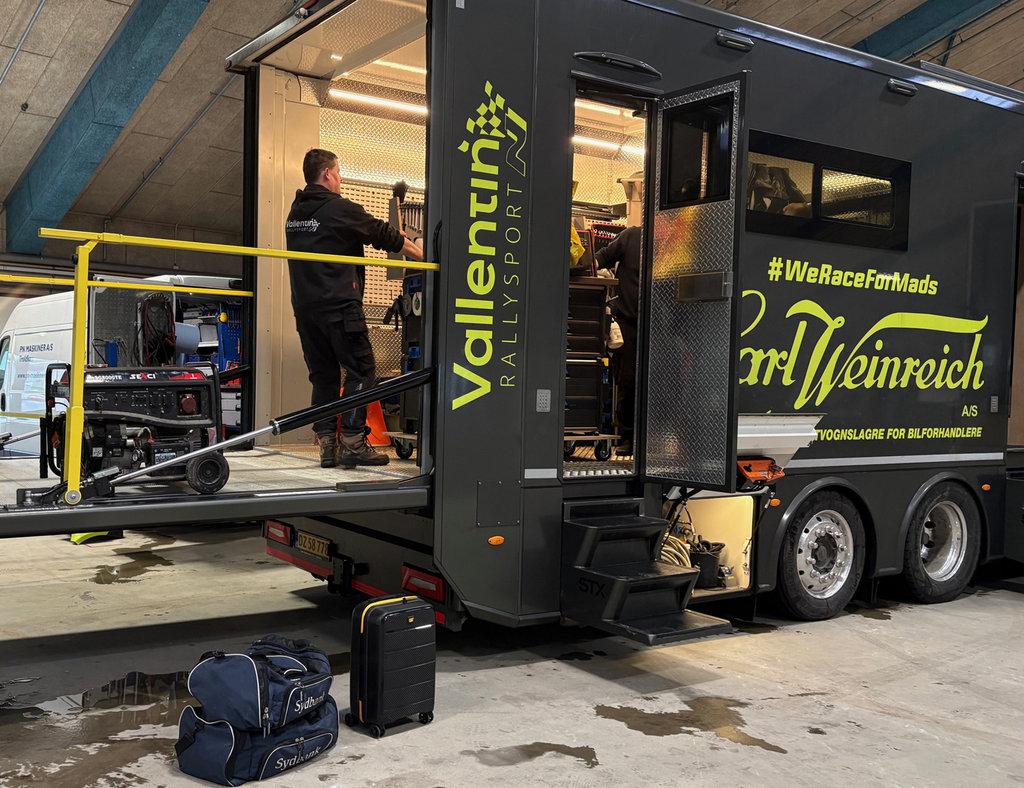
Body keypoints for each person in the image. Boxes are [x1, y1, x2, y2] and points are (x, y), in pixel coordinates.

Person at [286, 148, 423, 469]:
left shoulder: (295, 214)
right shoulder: (337, 208)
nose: (340, 181)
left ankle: (326, 448)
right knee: (362, 371)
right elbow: (384, 235)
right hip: (339, 307)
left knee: (323, 378)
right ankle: (351, 442)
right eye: (339, 175)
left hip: (306, 311)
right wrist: (427, 259)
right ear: (327, 174)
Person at [595, 224, 641, 457]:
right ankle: (628, 438)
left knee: (662, 386)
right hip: (628, 324)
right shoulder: (632, 236)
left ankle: (653, 439)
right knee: (628, 382)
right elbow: (600, 258)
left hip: (662, 327)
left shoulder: (673, 243)